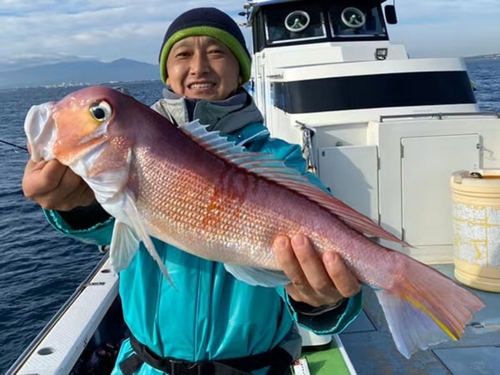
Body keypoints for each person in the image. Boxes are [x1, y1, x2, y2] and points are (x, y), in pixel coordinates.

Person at [22, 7, 362, 375]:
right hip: (144, 368)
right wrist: (75, 205)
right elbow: (109, 221)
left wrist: (320, 302)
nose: (199, 66)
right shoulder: (124, 150)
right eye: (183, 54)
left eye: (217, 52)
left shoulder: (279, 159)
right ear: (167, 72)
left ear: (241, 70)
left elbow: (322, 245)